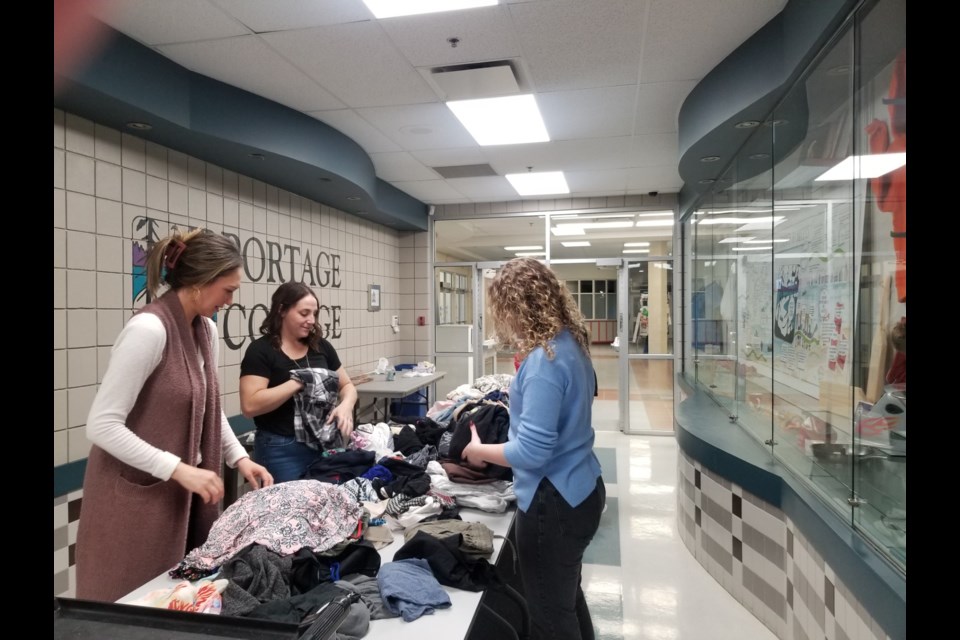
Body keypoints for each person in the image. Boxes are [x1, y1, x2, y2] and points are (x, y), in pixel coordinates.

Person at [75, 229, 274, 602]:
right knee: (130, 608)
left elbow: (207, 408)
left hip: (177, 499)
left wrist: (240, 459)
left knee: (175, 602)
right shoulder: (148, 330)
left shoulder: (206, 331)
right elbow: (101, 425)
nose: (231, 300)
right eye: (228, 290)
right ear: (199, 283)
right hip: (130, 505)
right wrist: (179, 469)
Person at [461, 257, 605, 640]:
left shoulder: (545, 361)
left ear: (515, 307)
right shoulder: (569, 344)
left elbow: (532, 452)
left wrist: (480, 451)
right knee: (566, 600)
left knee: (549, 619)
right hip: (583, 488)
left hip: (552, 504)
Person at [239, 281, 358, 483]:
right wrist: (300, 381)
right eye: (304, 313)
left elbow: (347, 386)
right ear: (282, 310)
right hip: (281, 449)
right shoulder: (261, 351)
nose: (311, 320)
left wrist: (346, 406)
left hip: (323, 443)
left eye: (315, 314)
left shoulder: (321, 347)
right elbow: (250, 405)